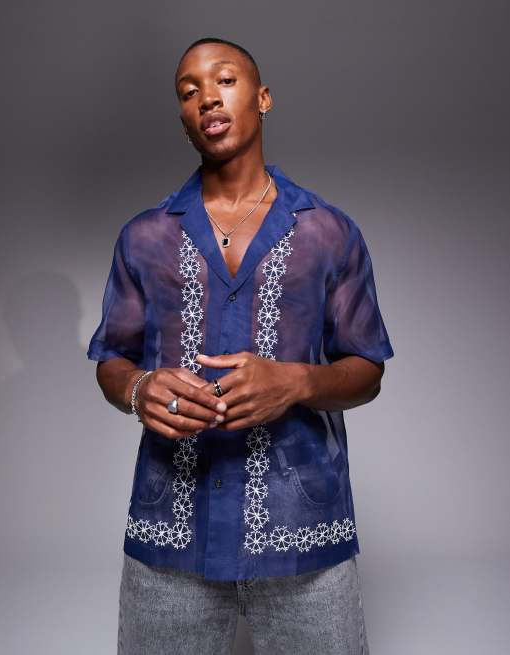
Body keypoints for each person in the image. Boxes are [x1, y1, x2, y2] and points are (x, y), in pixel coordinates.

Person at [87, 36, 394, 655]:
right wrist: (140, 388)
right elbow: (111, 359)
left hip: (302, 529)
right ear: (183, 117)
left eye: (224, 80)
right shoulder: (144, 237)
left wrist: (298, 382)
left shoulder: (328, 232)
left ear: (263, 98)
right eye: (189, 91)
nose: (206, 98)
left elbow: (367, 370)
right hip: (172, 530)